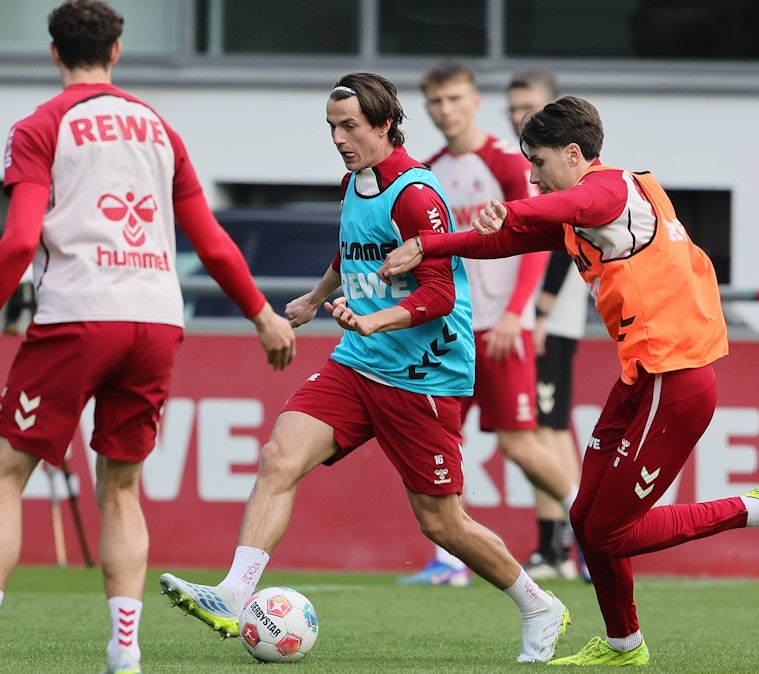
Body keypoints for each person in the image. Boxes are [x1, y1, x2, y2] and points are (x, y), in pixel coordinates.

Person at [379, 95, 759, 667]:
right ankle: (624, 645)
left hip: (675, 382)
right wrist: (430, 246)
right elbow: (505, 242)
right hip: (643, 379)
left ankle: (756, 507)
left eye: (539, 162)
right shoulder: (586, 210)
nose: (532, 176)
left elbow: (570, 203)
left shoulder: (609, 188)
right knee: (585, 519)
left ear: (574, 153)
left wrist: (512, 209)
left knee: (610, 532)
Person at [158, 72, 570, 664]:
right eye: (331, 127)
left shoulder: (416, 194)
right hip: (358, 362)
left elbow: (440, 295)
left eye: (349, 126)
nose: (338, 138)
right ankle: (233, 593)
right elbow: (351, 245)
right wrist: (314, 297)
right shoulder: (356, 180)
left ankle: (538, 605)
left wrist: (375, 321)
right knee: (279, 456)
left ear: (384, 125)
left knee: (442, 523)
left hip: (422, 375)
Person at [0, 2, 297, 673]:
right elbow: (211, 241)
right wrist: (261, 315)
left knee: (7, 474)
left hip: (78, 316)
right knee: (122, 487)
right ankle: (126, 650)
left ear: (54, 53)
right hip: (157, 321)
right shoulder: (159, 129)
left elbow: (19, 240)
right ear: (117, 51)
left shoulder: (39, 126)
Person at [398, 59, 579, 587]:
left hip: (501, 328)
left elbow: (538, 241)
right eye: (436, 101)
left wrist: (517, 314)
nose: (445, 110)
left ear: (475, 102)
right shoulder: (428, 171)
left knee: (520, 445)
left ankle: (590, 529)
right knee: (440, 441)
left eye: (455, 98)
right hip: (450, 330)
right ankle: (451, 560)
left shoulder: (507, 161)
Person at [506, 69, 588, 581]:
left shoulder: (555, 168)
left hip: (548, 322)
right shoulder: (531, 163)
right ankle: (558, 546)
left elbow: (561, 237)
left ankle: (569, 542)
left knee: (545, 431)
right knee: (544, 429)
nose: (520, 116)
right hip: (536, 318)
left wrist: (539, 313)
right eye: (513, 107)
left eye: (529, 107)